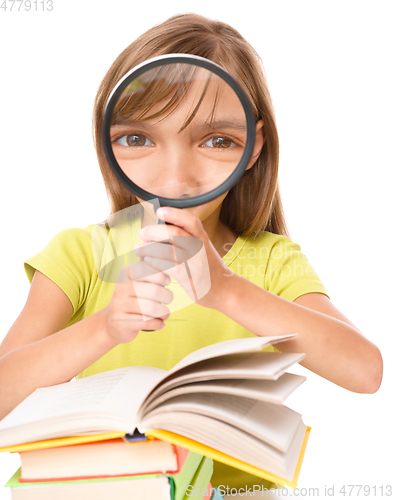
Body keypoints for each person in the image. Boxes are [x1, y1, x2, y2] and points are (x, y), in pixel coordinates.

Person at [0, 13, 383, 494]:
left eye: (217, 140)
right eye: (137, 138)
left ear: (255, 145)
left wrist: (227, 291)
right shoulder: (81, 254)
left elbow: (364, 371)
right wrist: (104, 327)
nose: (175, 178)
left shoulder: (270, 260)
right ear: (107, 142)